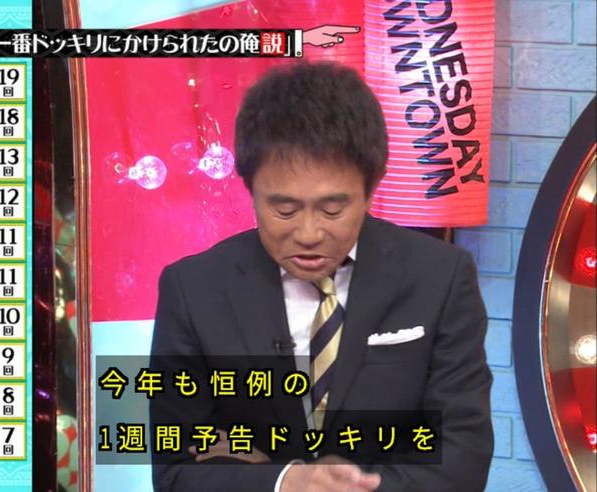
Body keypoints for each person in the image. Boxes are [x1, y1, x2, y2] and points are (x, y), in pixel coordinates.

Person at [150, 62, 493, 492]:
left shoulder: (440, 277)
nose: (309, 234)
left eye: (333, 209)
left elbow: (463, 459)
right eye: (284, 209)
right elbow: (175, 472)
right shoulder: (193, 289)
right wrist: (284, 483)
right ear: (249, 188)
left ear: (371, 188)